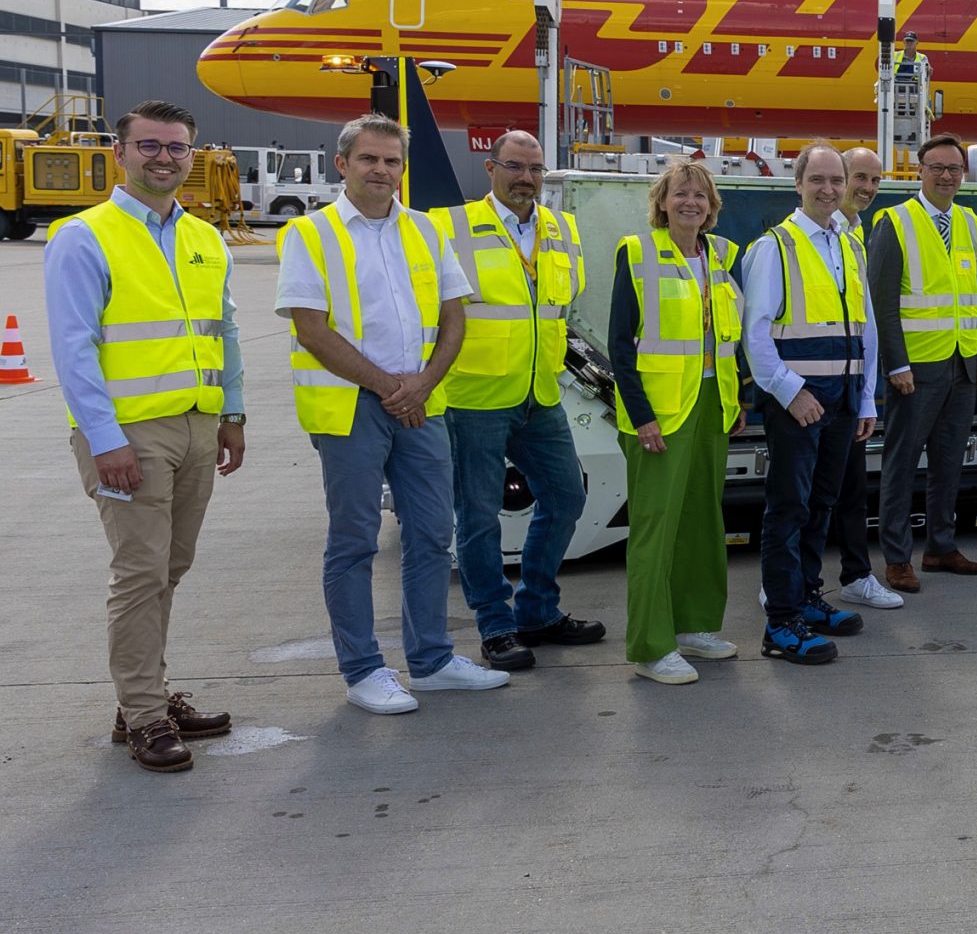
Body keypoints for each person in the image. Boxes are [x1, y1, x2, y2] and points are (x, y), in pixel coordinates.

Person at [277, 113, 507, 714]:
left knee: (432, 533)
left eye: (391, 161)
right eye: (369, 159)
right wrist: (390, 389)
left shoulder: (425, 230)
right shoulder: (310, 233)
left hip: (420, 402)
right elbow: (311, 328)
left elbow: (454, 315)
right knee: (354, 541)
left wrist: (423, 384)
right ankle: (362, 671)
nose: (381, 170)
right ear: (342, 164)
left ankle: (431, 661)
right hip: (351, 405)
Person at [47, 100, 246, 771]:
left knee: (169, 568)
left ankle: (144, 695)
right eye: (150, 146)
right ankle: (143, 715)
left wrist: (232, 414)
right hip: (127, 432)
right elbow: (74, 348)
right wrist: (104, 438)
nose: (164, 157)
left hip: (197, 424)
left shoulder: (204, 237)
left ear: (192, 154)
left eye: (177, 147)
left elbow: (225, 331)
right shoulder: (84, 236)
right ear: (120, 153)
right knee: (139, 574)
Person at [435, 131, 603, 673]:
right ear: (491, 168)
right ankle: (496, 624)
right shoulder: (450, 226)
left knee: (567, 495)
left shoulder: (561, 229)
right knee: (479, 515)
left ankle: (536, 611)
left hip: (540, 394)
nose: (525, 178)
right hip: (475, 396)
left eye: (534, 169)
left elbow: (561, 305)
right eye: (514, 166)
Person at [741, 143, 884, 666]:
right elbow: (755, 333)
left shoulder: (849, 244)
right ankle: (781, 622)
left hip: (842, 400)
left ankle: (806, 598)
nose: (828, 189)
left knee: (821, 505)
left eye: (836, 180)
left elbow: (865, 328)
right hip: (799, 403)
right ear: (797, 184)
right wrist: (788, 391)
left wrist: (865, 398)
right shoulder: (774, 247)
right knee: (789, 509)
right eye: (817, 179)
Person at [609, 161, 745, 683]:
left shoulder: (722, 255)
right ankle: (651, 646)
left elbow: (726, 339)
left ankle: (693, 626)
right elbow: (621, 344)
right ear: (662, 203)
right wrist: (641, 415)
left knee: (702, 522)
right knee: (655, 530)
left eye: (701, 196)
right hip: (660, 413)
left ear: (712, 207)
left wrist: (735, 400)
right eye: (681, 194)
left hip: (712, 404)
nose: (691, 203)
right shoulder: (637, 253)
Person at [869, 135, 977, 592]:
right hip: (915, 369)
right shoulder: (894, 222)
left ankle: (941, 547)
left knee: (948, 463)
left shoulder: (971, 224)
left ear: (963, 174)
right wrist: (895, 364)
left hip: (962, 365)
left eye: (954, 168)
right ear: (919, 171)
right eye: (937, 167)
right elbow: (882, 304)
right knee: (901, 464)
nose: (946, 175)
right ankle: (897, 558)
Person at [828, 145, 891, 592]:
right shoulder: (808, 234)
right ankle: (783, 584)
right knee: (802, 495)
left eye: (875, 180)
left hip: (850, 384)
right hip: (813, 386)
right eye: (859, 178)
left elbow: (864, 321)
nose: (868, 188)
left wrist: (866, 394)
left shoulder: (855, 234)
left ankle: (857, 575)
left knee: (852, 488)